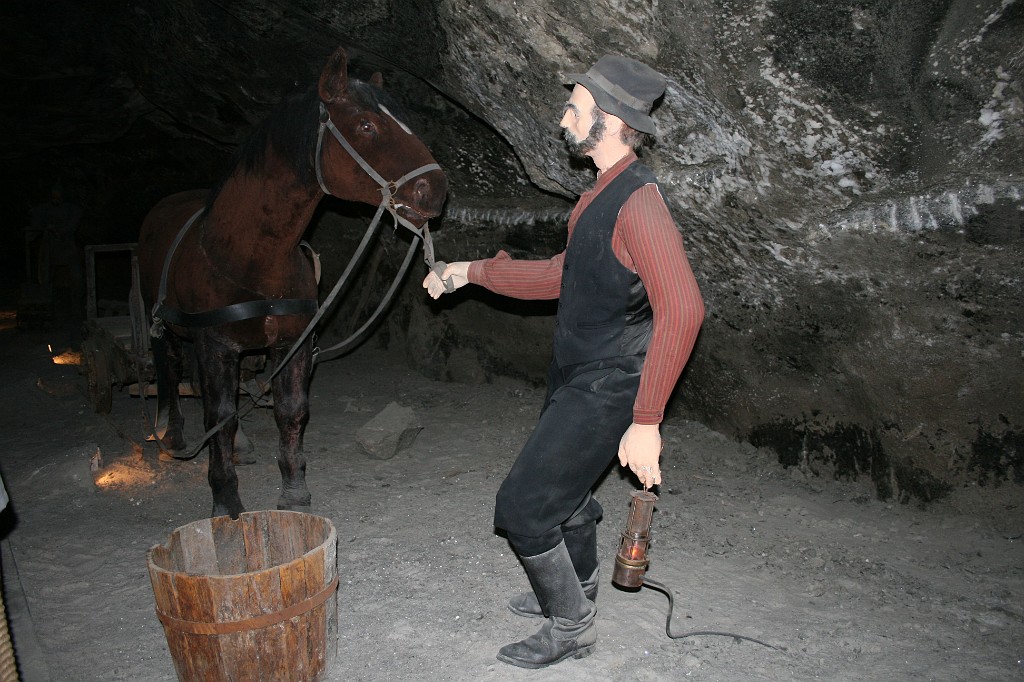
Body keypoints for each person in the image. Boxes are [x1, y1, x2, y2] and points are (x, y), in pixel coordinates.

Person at [423, 55, 705, 668]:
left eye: (574, 108)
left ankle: (572, 626)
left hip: (614, 381)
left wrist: (647, 421)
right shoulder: (599, 195)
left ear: (612, 120)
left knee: (523, 507)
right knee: (565, 489)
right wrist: (468, 272)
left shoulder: (639, 201)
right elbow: (561, 275)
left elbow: (683, 310)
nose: (562, 119)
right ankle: (577, 587)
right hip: (579, 373)